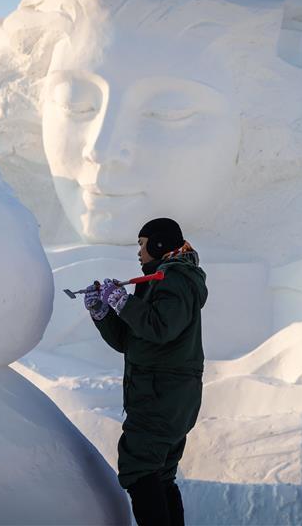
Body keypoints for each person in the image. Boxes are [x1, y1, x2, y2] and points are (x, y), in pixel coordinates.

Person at [83, 217, 207, 526]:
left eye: (142, 244)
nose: (138, 252)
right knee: (159, 475)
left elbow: (161, 327)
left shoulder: (175, 279)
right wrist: (104, 313)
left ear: (159, 243)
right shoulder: (159, 279)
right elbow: (133, 341)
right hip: (165, 396)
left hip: (161, 396)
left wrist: (123, 303)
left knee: (138, 468)